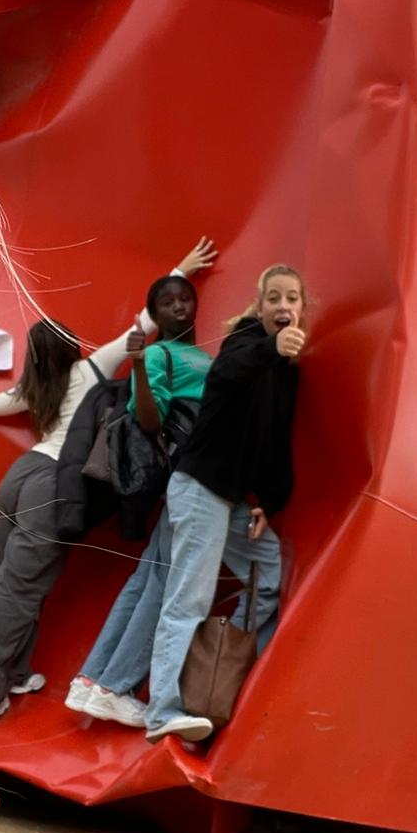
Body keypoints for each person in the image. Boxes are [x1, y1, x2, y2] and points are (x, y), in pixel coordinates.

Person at [0, 238, 215, 722]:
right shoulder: (92, 367)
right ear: (72, 346)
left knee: (3, 580)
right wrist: (182, 269)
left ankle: (13, 673)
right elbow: (144, 323)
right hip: (52, 484)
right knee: (19, 589)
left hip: (18, 476)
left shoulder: (33, 390)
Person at [93, 264, 307, 743]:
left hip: (231, 499)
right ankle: (162, 711)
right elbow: (230, 371)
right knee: (187, 596)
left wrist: (270, 501)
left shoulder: (287, 373)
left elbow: (274, 443)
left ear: (302, 308)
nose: (282, 306)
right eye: (273, 297)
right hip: (199, 487)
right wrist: (270, 346)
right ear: (260, 306)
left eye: (291, 298)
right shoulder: (244, 342)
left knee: (267, 574)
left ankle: (224, 681)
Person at [66, 264, 215, 723]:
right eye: (167, 303)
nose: (178, 307)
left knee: (147, 579)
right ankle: (116, 685)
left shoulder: (198, 355)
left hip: (186, 480)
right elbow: (150, 422)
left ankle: (91, 680)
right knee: (166, 583)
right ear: (155, 314)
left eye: (184, 298)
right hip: (188, 478)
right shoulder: (156, 355)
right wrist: (137, 364)